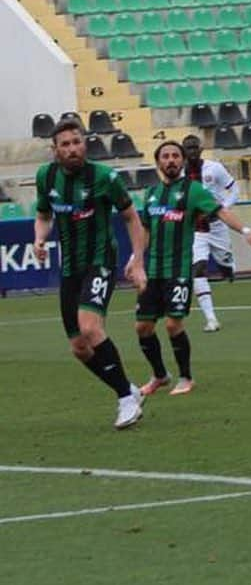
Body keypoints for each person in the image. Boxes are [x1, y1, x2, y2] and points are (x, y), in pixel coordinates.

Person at [33, 117, 148, 430]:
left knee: (89, 326)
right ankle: (128, 390)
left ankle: (126, 399)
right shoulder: (46, 176)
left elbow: (132, 218)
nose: (73, 149)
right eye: (65, 144)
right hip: (70, 267)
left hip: (100, 260)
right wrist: (39, 238)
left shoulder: (104, 177)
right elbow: (43, 215)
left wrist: (137, 260)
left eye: (77, 142)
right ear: (55, 150)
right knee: (79, 348)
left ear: (85, 143)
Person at [131, 140, 251, 398]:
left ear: (181, 162)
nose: (170, 160)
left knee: (172, 325)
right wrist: (135, 258)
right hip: (153, 272)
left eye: (175, 156)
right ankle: (160, 375)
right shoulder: (150, 194)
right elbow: (145, 230)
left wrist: (246, 231)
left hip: (179, 270)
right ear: (158, 162)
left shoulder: (193, 191)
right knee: (142, 328)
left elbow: (221, 212)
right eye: (165, 156)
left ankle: (185, 377)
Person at [182, 133, 238, 333]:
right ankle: (211, 319)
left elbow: (234, 189)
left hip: (218, 225)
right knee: (198, 269)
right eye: (187, 148)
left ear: (200, 149)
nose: (191, 151)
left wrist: (223, 208)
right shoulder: (181, 173)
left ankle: (228, 267)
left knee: (226, 269)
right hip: (197, 229)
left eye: (194, 147)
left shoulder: (214, 168)